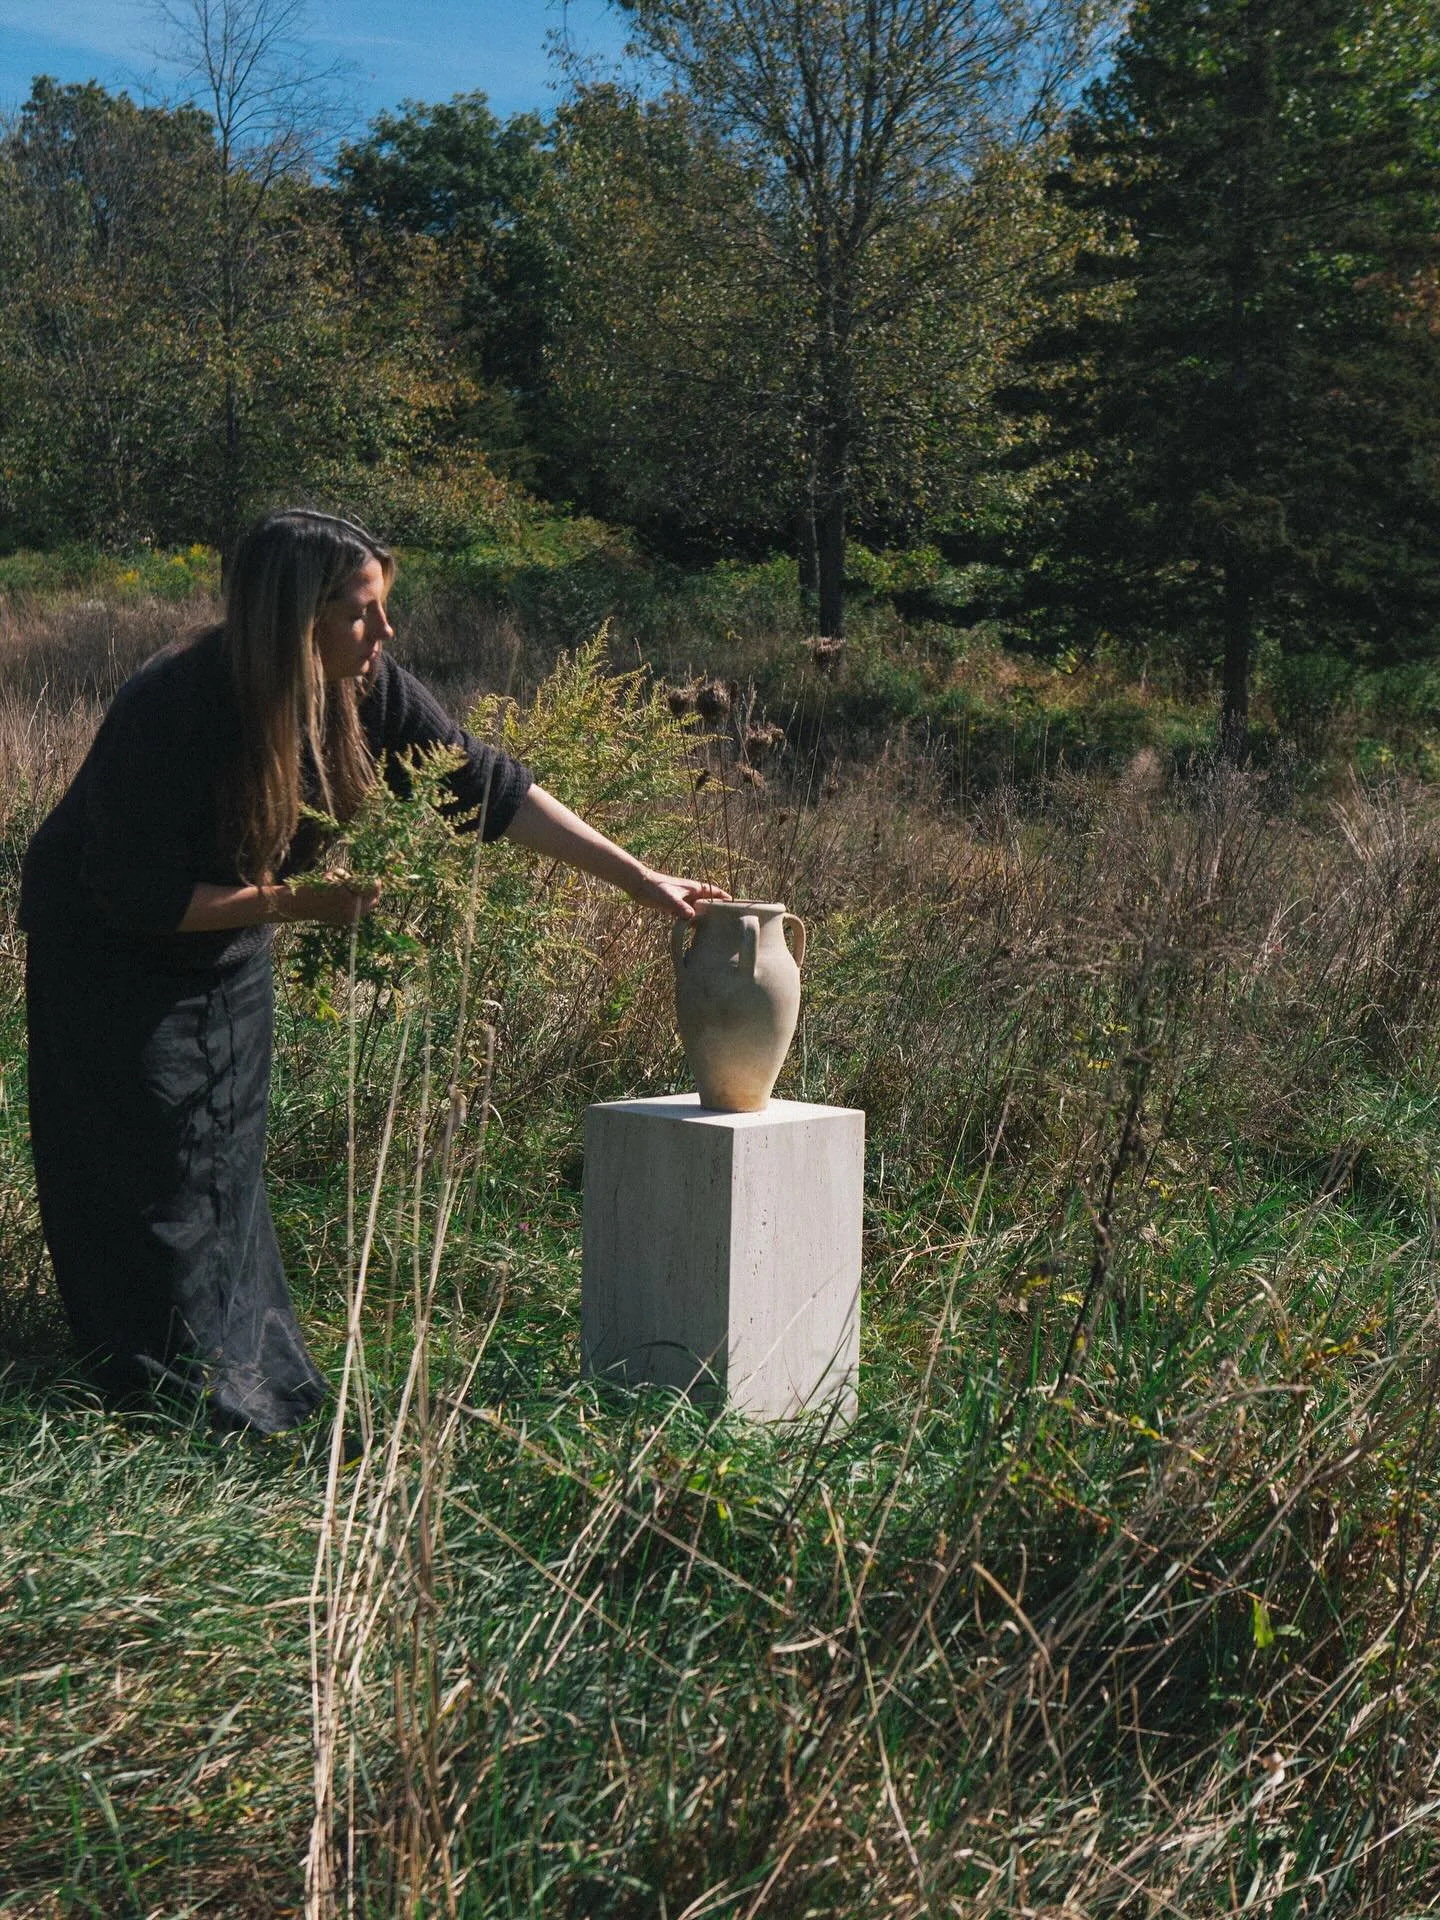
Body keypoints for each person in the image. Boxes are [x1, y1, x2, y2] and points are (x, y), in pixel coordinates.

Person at [20, 507, 721, 1434]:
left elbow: (482, 786)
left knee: (222, 1155)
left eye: (383, 608)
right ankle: (155, 1392)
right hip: (106, 948)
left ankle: (249, 1377)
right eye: (361, 612)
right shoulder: (173, 706)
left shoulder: (364, 686)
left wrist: (638, 877)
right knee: (147, 1165)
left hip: (224, 943)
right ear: (291, 619)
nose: (384, 633)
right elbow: (137, 896)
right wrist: (298, 904)